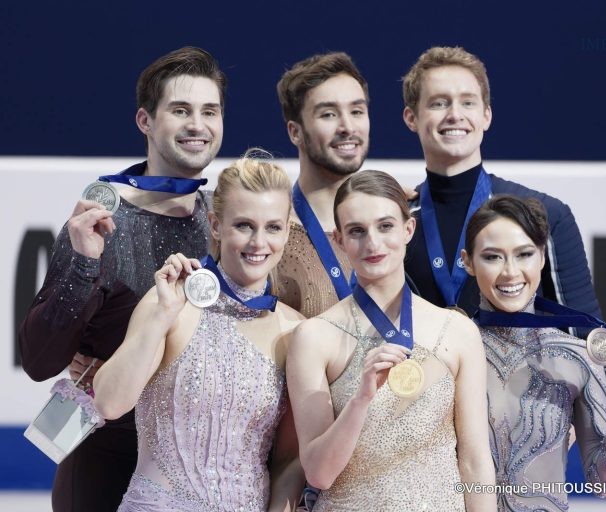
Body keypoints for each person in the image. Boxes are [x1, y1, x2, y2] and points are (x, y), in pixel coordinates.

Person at [18, 47, 225, 511]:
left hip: (202, 475)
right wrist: (84, 267)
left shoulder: (226, 224)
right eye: (180, 110)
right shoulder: (100, 224)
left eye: (209, 111)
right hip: (107, 470)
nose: (198, 124)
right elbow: (38, 361)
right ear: (144, 121)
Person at [93, 154, 304, 511]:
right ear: (216, 225)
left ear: (287, 231)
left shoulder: (295, 331)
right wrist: (161, 316)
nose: (258, 242)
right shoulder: (172, 301)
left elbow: (288, 461)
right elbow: (109, 403)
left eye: (272, 227)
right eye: (243, 225)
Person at [287, 170, 495, 511]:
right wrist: (361, 399)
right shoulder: (313, 337)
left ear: (408, 229)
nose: (373, 243)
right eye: (357, 231)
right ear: (339, 240)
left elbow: (474, 462)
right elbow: (319, 475)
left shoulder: (458, 331)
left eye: (385, 226)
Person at [460, 195, 606, 511]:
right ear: (467, 261)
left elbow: (604, 484)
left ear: (543, 257)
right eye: (492, 257)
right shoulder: (451, 350)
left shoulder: (575, 358)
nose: (510, 272)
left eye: (524, 254)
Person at [402, 46, 601, 330]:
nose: (455, 114)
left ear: (486, 115)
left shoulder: (546, 214)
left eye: (467, 102)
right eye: (438, 103)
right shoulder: (398, 221)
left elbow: (585, 336)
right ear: (411, 118)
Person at [275, 52, 369, 317]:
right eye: (328, 114)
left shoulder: (395, 226)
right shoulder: (270, 238)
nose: (347, 126)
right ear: (295, 132)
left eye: (357, 111)